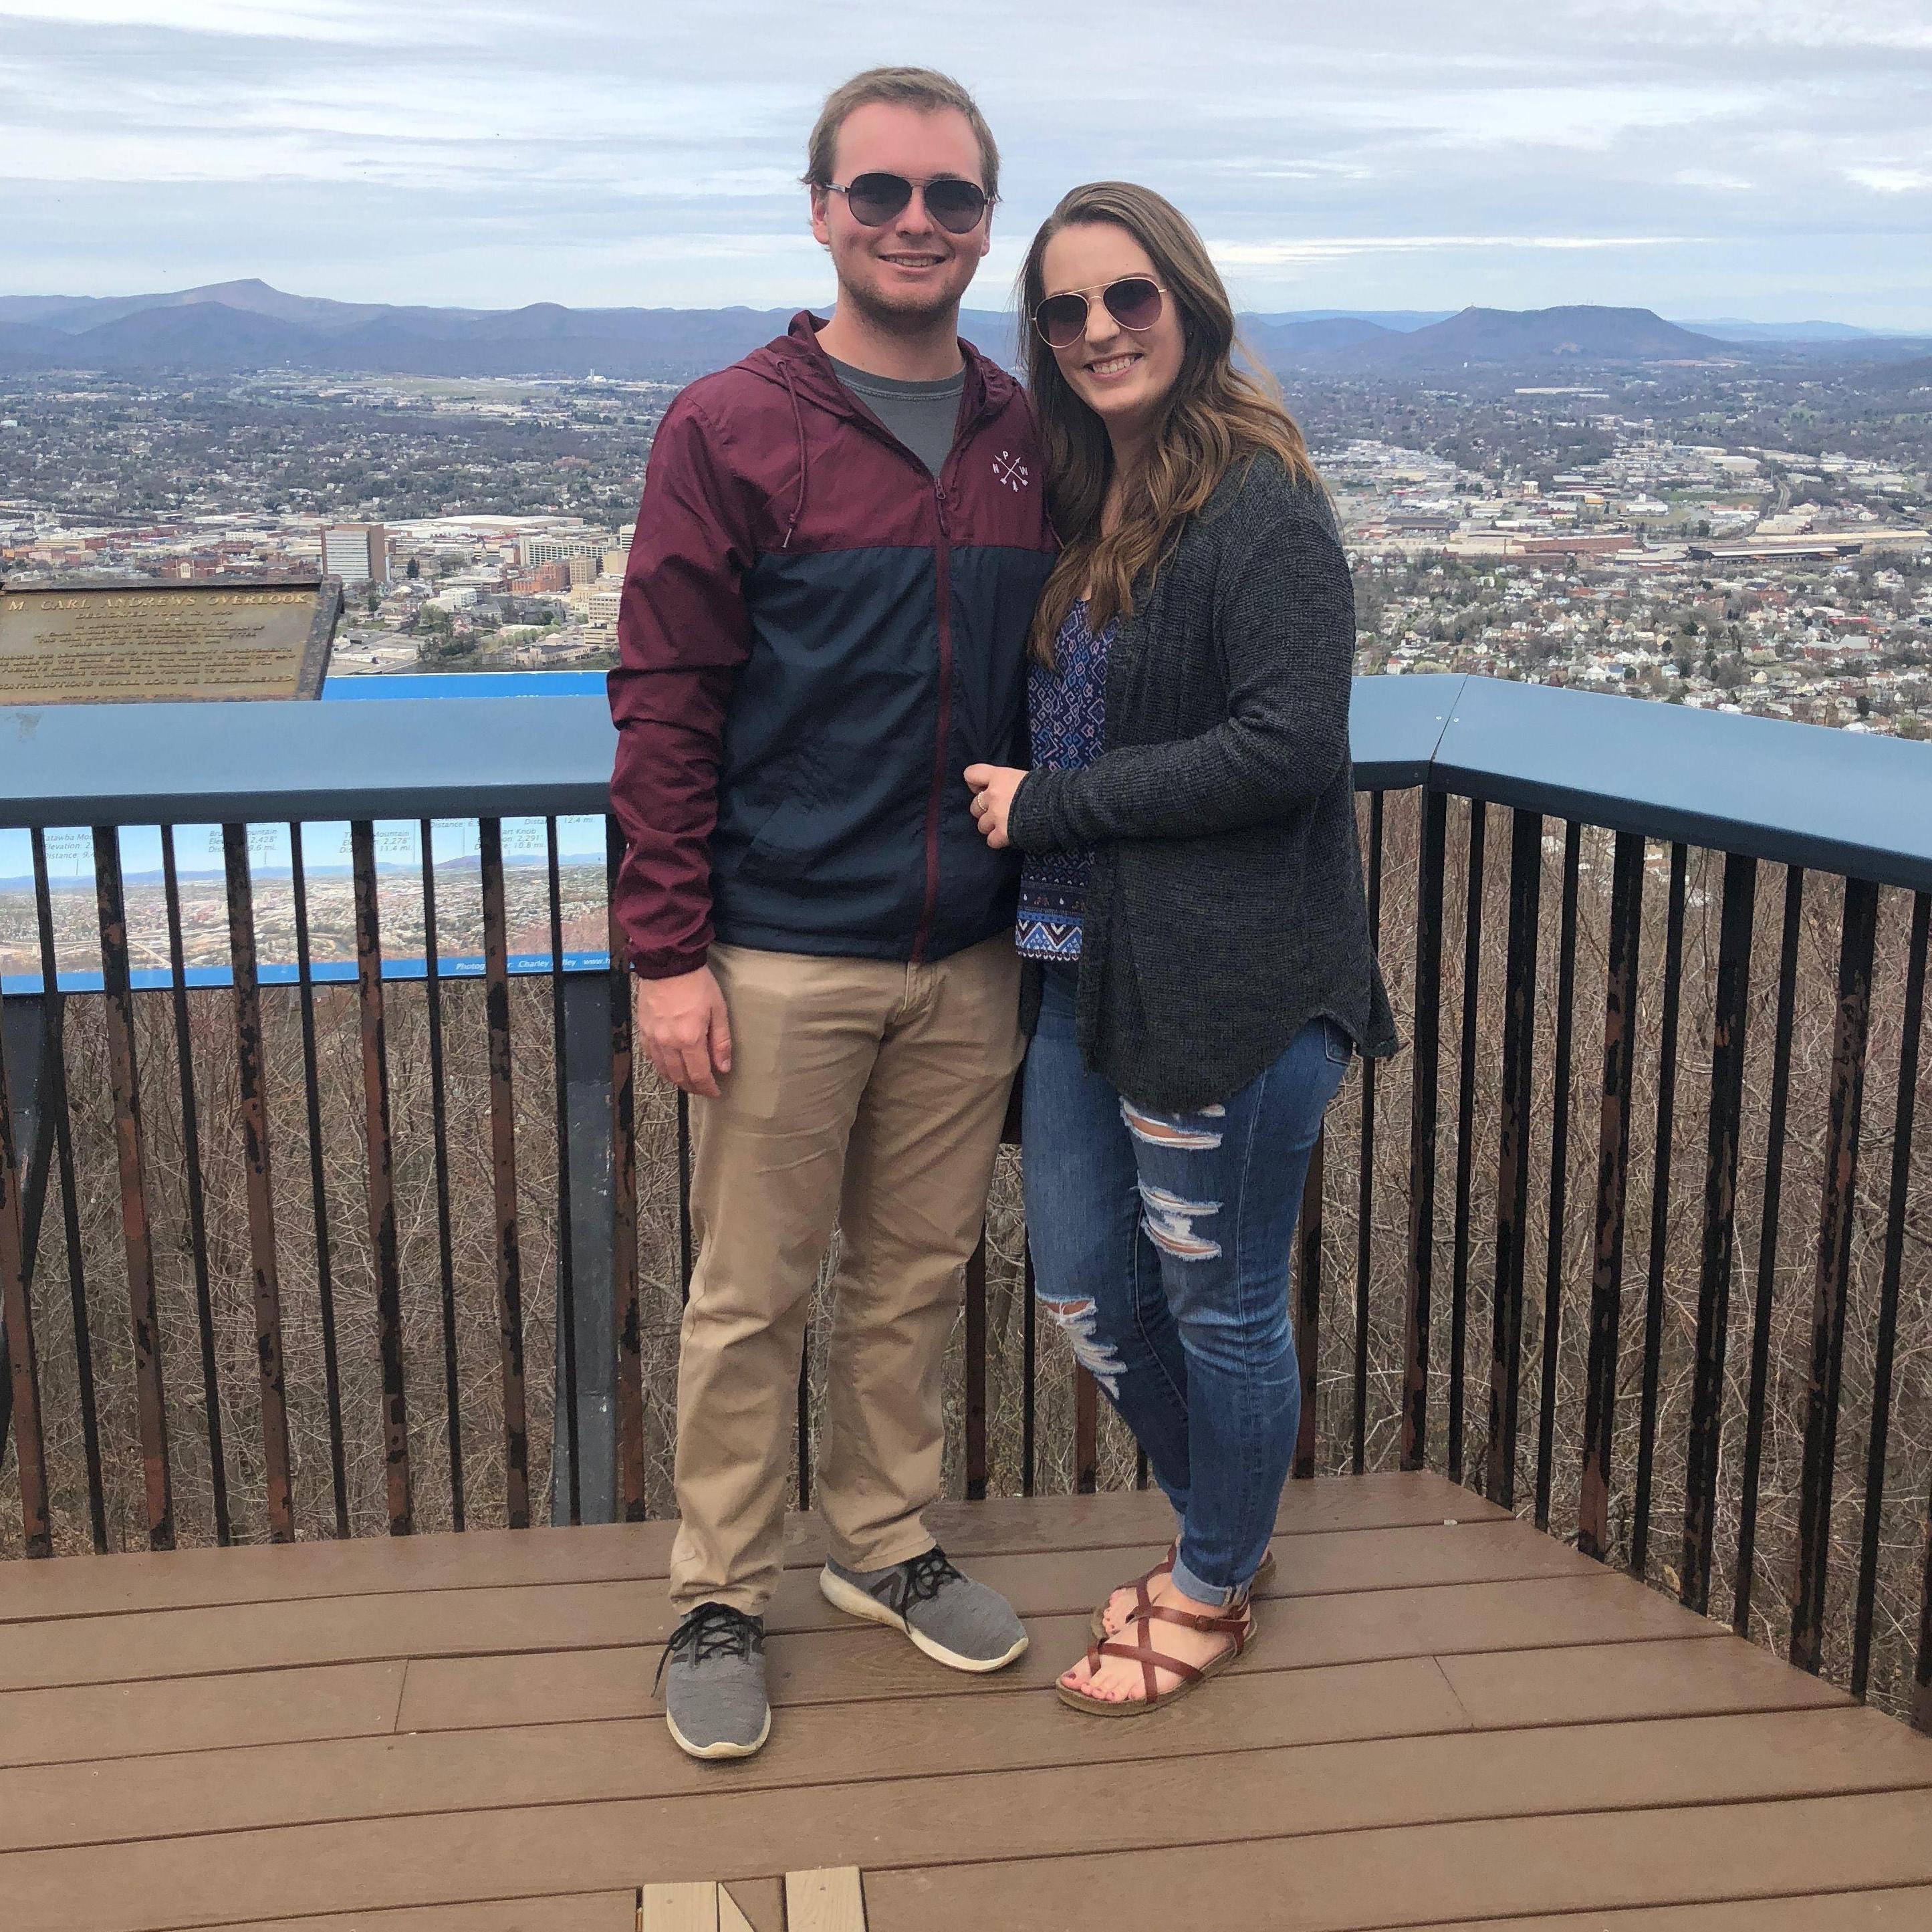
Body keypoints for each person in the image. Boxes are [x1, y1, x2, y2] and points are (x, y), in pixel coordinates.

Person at [608, 68, 1056, 1762]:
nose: (916, 224)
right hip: (782, 944)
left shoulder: (1026, 436)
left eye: (948, 198)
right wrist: (665, 953)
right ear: (821, 213)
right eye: (880, 194)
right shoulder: (732, 424)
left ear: (981, 222)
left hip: (964, 949)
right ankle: (718, 1585)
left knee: (915, 1274)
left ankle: (879, 1539)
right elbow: (665, 699)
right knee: (751, 1290)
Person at [965, 181, 1398, 1715]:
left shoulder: (1257, 500)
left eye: (1126, 296)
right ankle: (1230, 1521)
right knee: (1087, 1286)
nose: (1095, 330)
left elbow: (1289, 744)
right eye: (1065, 309)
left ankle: (1212, 1574)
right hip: (1086, 968)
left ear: (1189, 304)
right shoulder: (1088, 498)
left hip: (1228, 985)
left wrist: (1054, 804)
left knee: (1219, 1300)